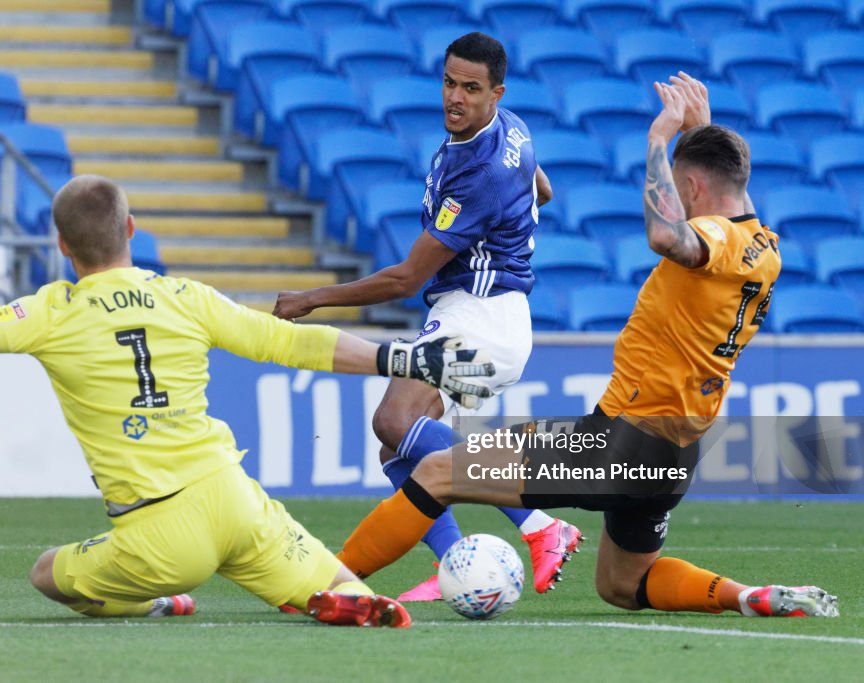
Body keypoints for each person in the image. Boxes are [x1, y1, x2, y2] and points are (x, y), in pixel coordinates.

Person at [0, 174, 500, 629]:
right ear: (131, 227)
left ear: (63, 246)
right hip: (238, 503)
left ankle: (155, 603)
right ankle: (337, 597)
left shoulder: (50, 313)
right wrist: (399, 357)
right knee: (346, 591)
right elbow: (285, 342)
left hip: (157, 532)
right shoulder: (185, 296)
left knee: (49, 573)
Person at [327, 74, 841, 618]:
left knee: (436, 474)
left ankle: (325, 581)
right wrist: (702, 132)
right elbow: (722, 187)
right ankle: (747, 595)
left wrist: (657, 141)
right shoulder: (766, 248)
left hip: (618, 443)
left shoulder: (712, 240)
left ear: (690, 189)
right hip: (675, 455)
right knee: (622, 585)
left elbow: (668, 235)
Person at [273, 32, 582, 601]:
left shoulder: (481, 173)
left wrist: (310, 298)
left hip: (480, 314)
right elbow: (545, 189)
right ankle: (457, 565)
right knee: (398, 447)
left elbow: (405, 279)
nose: (455, 98)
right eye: (449, 82)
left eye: (470, 89)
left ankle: (541, 523)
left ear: (496, 92)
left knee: (393, 422)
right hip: (492, 312)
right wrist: (512, 223)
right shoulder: (511, 125)